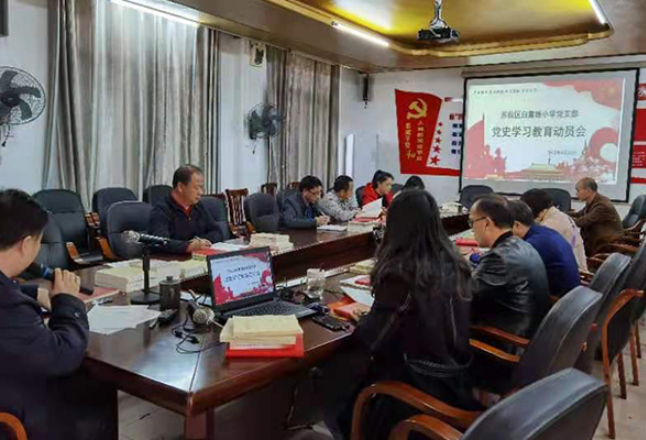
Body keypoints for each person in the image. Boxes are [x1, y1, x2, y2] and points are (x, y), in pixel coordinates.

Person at [320, 190, 476, 440]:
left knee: (332, 372)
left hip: (413, 387)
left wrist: (365, 318)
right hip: (454, 378)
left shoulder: (402, 272)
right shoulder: (455, 262)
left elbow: (375, 339)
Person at [0, 189, 89, 440]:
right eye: (39, 242)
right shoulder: (9, 308)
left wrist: (30, 292)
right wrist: (67, 301)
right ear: (26, 244)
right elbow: (62, 355)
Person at [469, 195, 550, 339]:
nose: (472, 229)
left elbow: (465, 298)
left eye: (472, 221)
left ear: (486, 223)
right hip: (531, 332)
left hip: (509, 344)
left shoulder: (498, 258)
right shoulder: (523, 244)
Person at [509, 200, 581, 298]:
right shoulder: (545, 232)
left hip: (557, 303)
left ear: (516, 225)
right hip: (573, 299)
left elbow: (511, 277)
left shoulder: (533, 244)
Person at [148, 164, 224, 254]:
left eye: (202, 187)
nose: (201, 192)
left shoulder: (198, 206)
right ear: (180, 187)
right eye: (196, 188)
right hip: (171, 261)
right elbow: (160, 242)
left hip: (196, 258)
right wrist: (188, 246)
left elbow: (217, 232)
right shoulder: (161, 209)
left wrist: (201, 241)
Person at [520, 189, 588, 272]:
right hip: (570, 267)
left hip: (577, 272)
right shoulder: (557, 215)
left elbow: (531, 253)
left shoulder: (551, 224)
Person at [571, 178, 624, 256]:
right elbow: (579, 214)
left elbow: (582, 222)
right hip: (595, 237)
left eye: (578, 190)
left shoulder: (602, 205)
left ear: (588, 191)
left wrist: (563, 219)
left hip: (605, 243)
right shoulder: (593, 200)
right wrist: (562, 213)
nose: (576, 194)